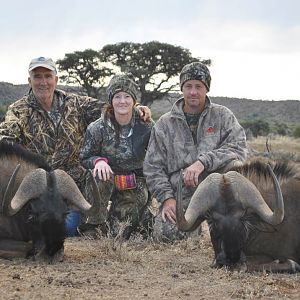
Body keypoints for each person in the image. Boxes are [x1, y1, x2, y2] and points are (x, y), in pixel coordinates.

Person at [0, 56, 151, 236]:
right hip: (39, 189)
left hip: (75, 187)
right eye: (37, 77)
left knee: (69, 227)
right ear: (29, 80)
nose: (43, 82)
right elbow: (6, 138)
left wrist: (138, 107)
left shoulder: (76, 103)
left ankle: (95, 222)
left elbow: (113, 106)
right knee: (59, 228)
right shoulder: (18, 110)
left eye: (48, 76)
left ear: (56, 79)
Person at [143, 62, 248, 242]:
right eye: (188, 86)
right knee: (167, 236)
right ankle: (190, 225)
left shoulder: (223, 115)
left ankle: (235, 219)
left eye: (198, 86)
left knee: (236, 168)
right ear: (182, 89)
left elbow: (239, 149)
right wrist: (167, 199)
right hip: (181, 191)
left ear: (206, 89)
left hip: (219, 191)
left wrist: (203, 162)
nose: (193, 92)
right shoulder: (164, 124)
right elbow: (153, 168)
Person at [79, 74, 154, 239]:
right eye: (117, 96)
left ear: (134, 100)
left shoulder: (147, 126)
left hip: (133, 184)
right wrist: (98, 161)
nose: (122, 101)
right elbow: (84, 157)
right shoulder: (97, 128)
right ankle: (94, 224)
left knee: (119, 233)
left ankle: (135, 218)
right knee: (97, 175)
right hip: (105, 181)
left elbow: (157, 159)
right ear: (111, 100)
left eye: (127, 96)